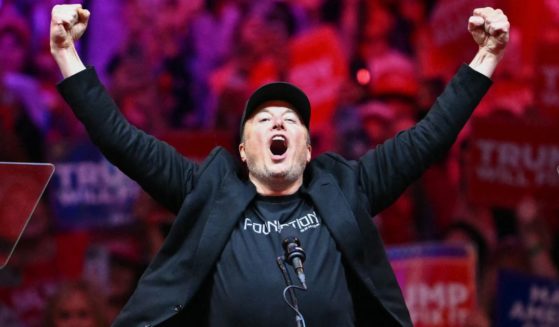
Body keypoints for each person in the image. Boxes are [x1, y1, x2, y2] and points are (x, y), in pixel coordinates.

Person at [49, 4, 509, 326]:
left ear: (308, 150)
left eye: (291, 121)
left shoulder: (347, 186)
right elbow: (122, 140)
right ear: (244, 151)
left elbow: (428, 139)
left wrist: (485, 56)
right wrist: (68, 55)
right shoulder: (207, 188)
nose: (278, 124)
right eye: (264, 119)